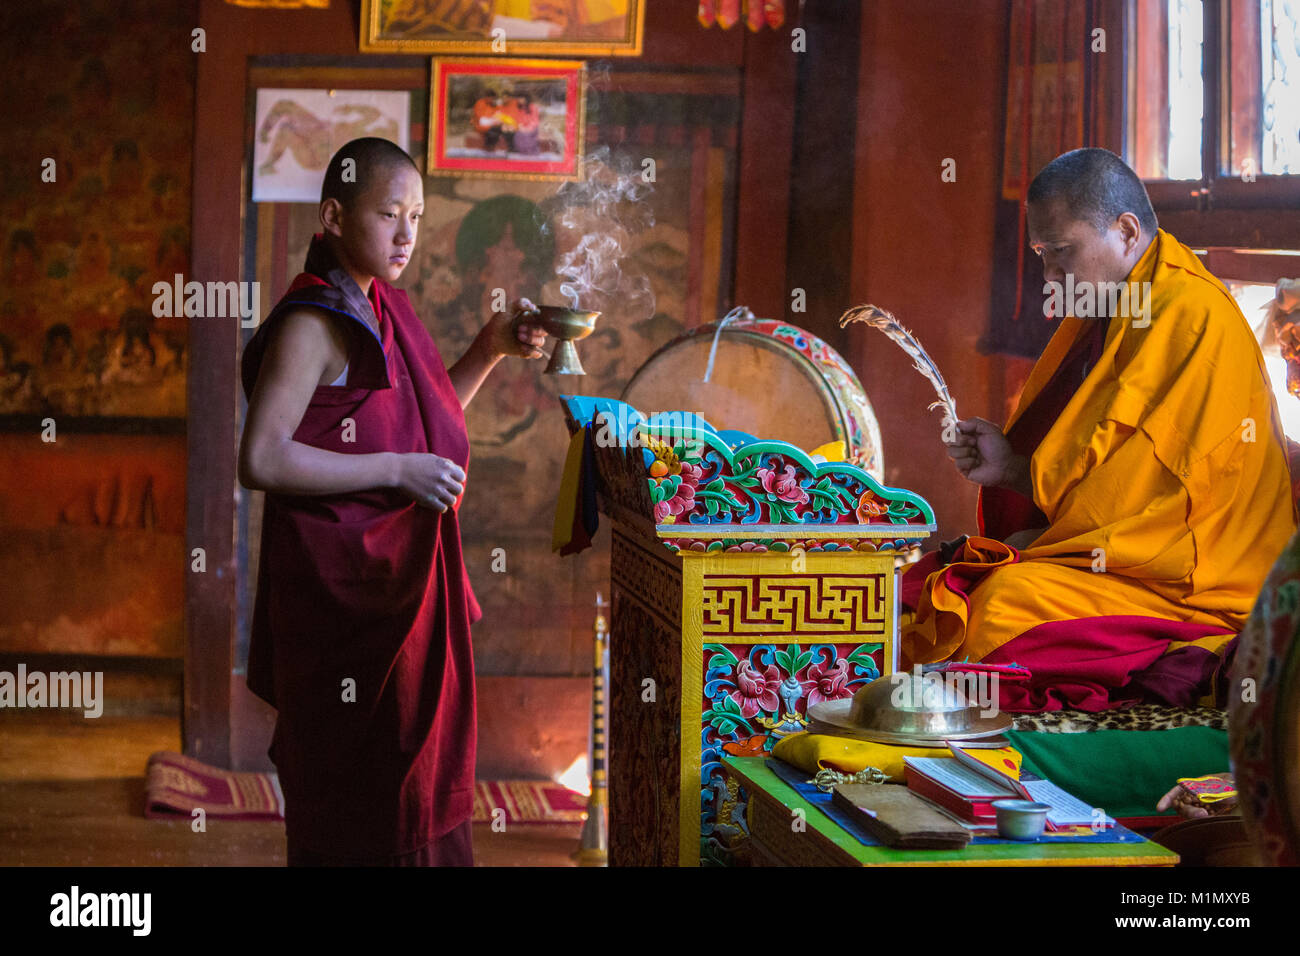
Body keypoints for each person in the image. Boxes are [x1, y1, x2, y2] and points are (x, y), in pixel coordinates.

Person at [238, 137, 546, 866]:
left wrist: (491, 346)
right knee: (359, 798)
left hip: (401, 593)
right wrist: (395, 472)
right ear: (335, 217)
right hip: (346, 605)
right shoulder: (313, 321)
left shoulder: (386, 308)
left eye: (416, 215)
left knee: (412, 788)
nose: (407, 234)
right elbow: (261, 457)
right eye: (388, 215)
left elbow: (430, 423)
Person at [900, 148, 1297, 712]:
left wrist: (1040, 542)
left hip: (1199, 588)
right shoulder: (1124, 303)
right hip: (1129, 561)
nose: (1051, 276)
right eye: (1042, 254)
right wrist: (1015, 467)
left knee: (1002, 605)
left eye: (1062, 253)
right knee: (941, 578)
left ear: (1127, 230)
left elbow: (1163, 502)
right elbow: (1109, 461)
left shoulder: (1188, 316)